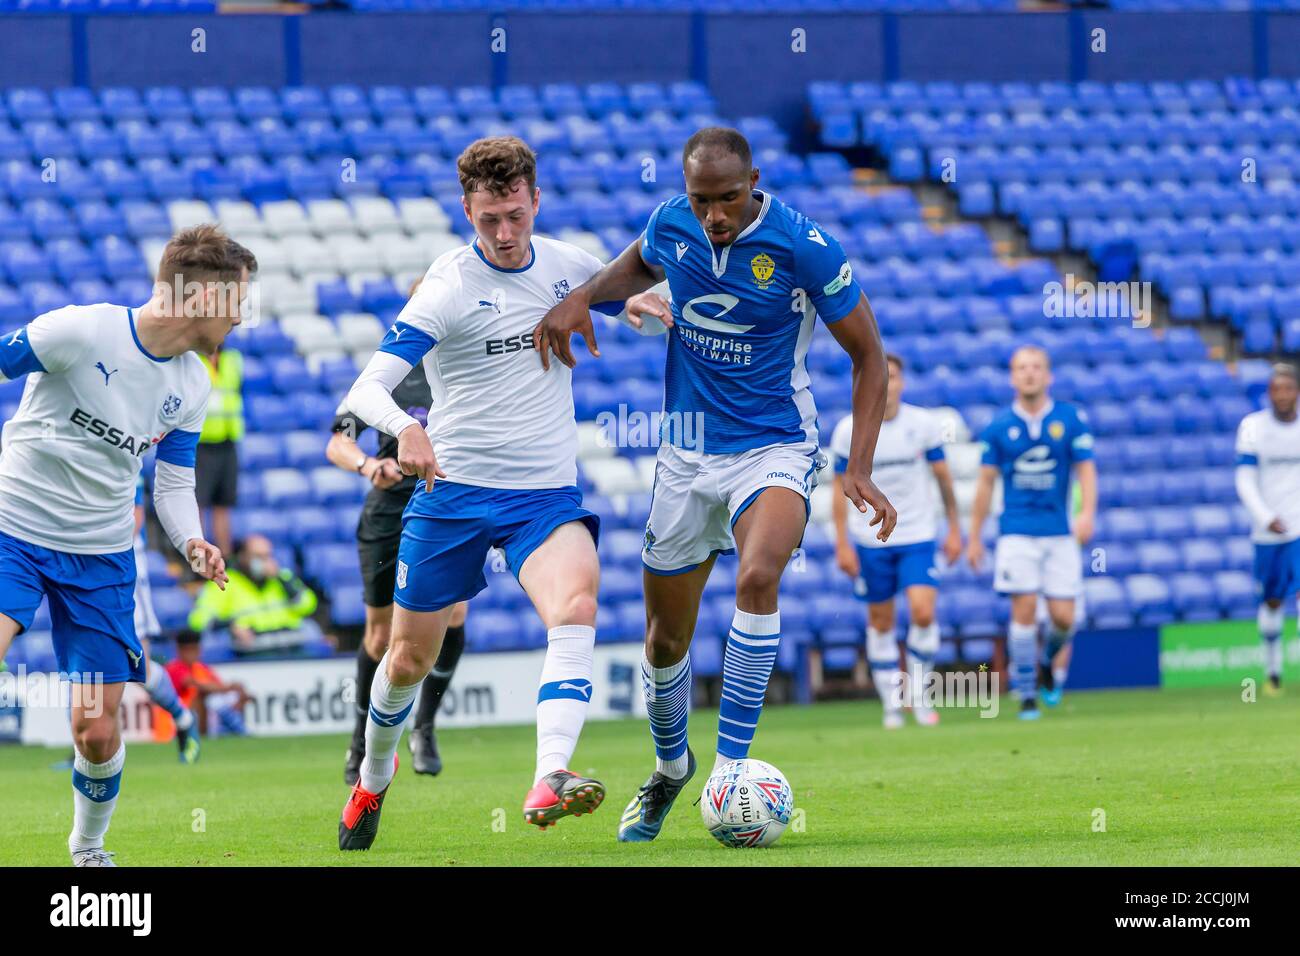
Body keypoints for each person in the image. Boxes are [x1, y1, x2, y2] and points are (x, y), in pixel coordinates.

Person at [535, 126, 897, 843]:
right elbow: (636, 265)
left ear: (754, 180)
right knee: (665, 638)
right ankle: (672, 769)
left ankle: (729, 770)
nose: (715, 216)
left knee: (759, 575)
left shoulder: (804, 246)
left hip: (774, 445)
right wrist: (584, 296)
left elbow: (869, 357)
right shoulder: (674, 223)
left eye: (728, 198)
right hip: (687, 456)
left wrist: (858, 465)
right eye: (703, 201)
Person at [336, 135, 624, 850]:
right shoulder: (449, 286)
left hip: (544, 494)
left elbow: (638, 292)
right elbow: (365, 389)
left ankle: (550, 773)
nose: (503, 233)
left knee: (578, 603)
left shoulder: (569, 264)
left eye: (515, 216)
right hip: (455, 492)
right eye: (489, 218)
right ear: (467, 207)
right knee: (407, 660)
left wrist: (654, 306)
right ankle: (373, 778)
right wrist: (406, 427)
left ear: (535, 201)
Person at [0, 224, 245, 865]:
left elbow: (173, 483)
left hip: (102, 559)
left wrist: (192, 540)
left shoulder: (193, 386)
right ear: (200, 301)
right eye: (236, 301)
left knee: (95, 728)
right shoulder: (82, 330)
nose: (242, 316)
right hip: (13, 530)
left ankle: (87, 847)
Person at [326, 277, 469, 783]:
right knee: (381, 635)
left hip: (447, 509)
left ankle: (424, 726)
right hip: (388, 511)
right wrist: (368, 466)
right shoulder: (390, 374)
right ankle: (360, 737)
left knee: (453, 615)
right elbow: (337, 441)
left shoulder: (471, 370)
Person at [831, 353, 962, 729]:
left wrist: (954, 528)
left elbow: (943, 478)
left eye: (893, 377)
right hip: (869, 538)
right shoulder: (848, 429)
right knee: (881, 620)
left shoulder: (923, 424)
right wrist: (841, 542)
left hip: (918, 533)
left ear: (902, 383)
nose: (887, 384)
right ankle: (892, 702)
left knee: (923, 611)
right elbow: (838, 490)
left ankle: (919, 696)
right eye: (880, 376)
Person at [966, 345, 1097, 720]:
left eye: (1036, 367)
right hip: (1017, 532)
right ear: (1013, 376)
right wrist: (975, 536)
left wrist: (1086, 513)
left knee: (1064, 619)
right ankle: (1026, 695)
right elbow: (985, 484)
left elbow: (1086, 470)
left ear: (1048, 375)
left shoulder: (1070, 420)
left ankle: (1045, 662)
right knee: (1023, 610)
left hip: (1059, 532)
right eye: (1022, 368)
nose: (1029, 374)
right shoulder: (998, 426)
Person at [1234, 362, 1300, 696]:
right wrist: (1264, 517)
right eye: (1277, 390)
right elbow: (1244, 479)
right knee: (1272, 601)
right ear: (1269, 394)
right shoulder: (1252, 428)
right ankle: (1273, 671)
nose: (1283, 395)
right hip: (1268, 533)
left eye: (1289, 389)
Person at [132, 478, 202, 762]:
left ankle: (182, 717)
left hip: (119, 563)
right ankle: (79, 753)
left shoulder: (118, 443)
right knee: (80, 663)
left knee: (138, 665)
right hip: (74, 564)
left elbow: (135, 515)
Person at [187, 534, 320, 657]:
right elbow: (198, 620)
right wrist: (231, 626)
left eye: (267, 556)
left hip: (292, 647)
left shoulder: (283, 577)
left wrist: (281, 579)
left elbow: (308, 605)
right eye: (257, 556)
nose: (264, 561)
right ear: (242, 556)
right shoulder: (225, 581)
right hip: (252, 653)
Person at [194, 342, 243, 558]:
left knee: (223, 503)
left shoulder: (233, 360)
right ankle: (198, 560)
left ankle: (226, 558)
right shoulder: (193, 360)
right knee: (199, 503)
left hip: (228, 439)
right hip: (202, 442)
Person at [165, 628, 250, 736]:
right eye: (188, 650)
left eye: (195, 649)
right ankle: (240, 731)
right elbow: (196, 684)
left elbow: (218, 688)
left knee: (222, 700)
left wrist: (236, 695)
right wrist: (230, 687)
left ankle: (234, 730)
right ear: (179, 650)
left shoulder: (202, 668)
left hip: (200, 721)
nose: (192, 654)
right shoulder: (173, 668)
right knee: (204, 696)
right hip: (173, 724)